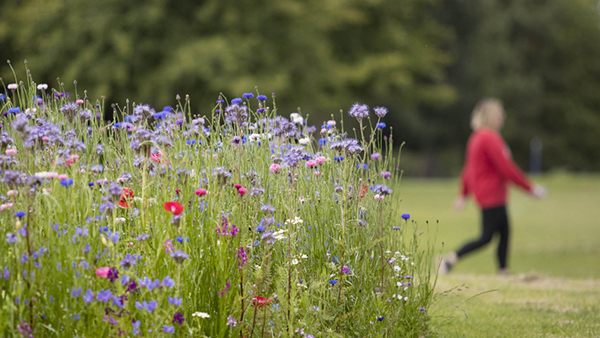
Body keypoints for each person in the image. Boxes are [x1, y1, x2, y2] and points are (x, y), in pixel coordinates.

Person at [439, 98, 546, 276]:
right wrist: (530, 188)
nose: (503, 117)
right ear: (491, 116)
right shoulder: (489, 138)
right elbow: (507, 167)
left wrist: (463, 195)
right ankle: (451, 260)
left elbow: (468, 169)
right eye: (500, 114)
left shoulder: (477, 137)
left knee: (504, 231)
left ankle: (503, 270)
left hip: (489, 193)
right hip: (491, 194)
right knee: (486, 237)